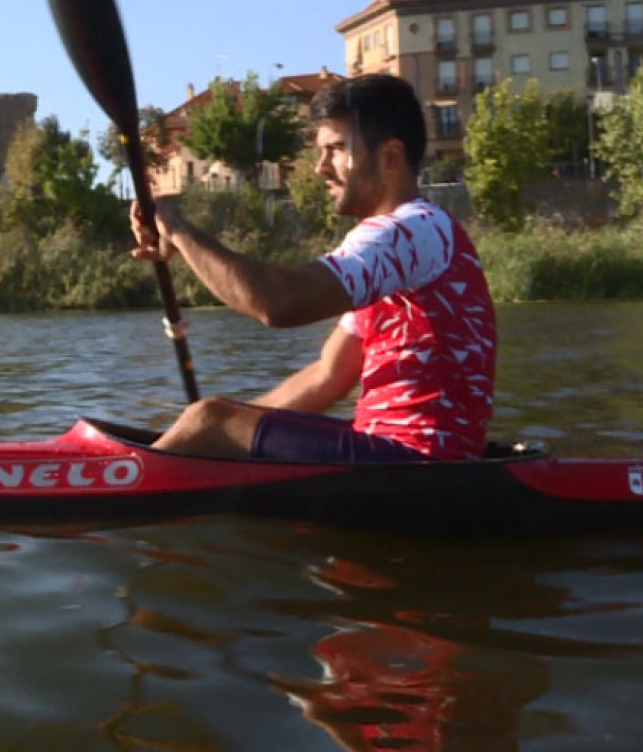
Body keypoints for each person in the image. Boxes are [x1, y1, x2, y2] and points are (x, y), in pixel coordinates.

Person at [129, 73, 495, 462]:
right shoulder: (407, 243)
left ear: (390, 156)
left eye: (335, 149)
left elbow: (278, 304)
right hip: (404, 456)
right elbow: (327, 376)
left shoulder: (411, 229)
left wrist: (178, 230)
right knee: (210, 421)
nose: (320, 168)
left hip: (419, 462)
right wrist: (227, 432)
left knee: (208, 419)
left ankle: (115, 483)